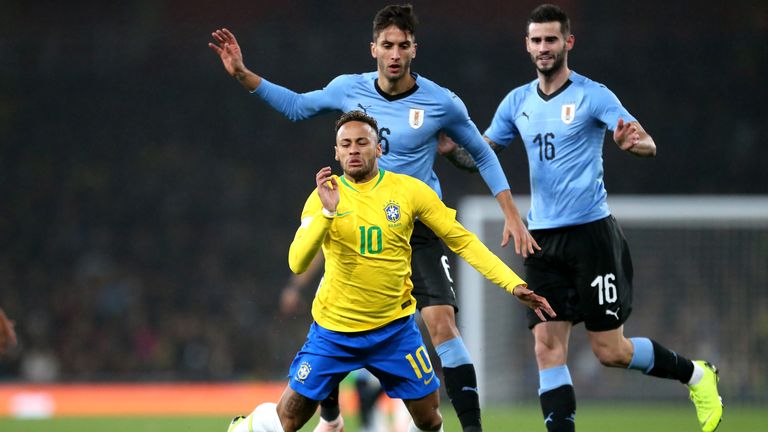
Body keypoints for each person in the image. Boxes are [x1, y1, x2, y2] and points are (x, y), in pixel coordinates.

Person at [209, 5, 538, 432]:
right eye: (387, 45)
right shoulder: (349, 90)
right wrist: (242, 74)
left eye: (403, 45)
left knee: (441, 322)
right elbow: (296, 106)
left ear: (414, 49)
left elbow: (481, 151)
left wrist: (510, 213)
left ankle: (471, 427)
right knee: (336, 310)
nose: (395, 53)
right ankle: (329, 415)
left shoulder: (440, 101)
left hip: (416, 224)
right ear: (374, 49)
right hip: (358, 215)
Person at [438, 4, 723, 432]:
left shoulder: (594, 94)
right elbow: (479, 154)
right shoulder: (516, 102)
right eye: (536, 40)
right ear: (527, 45)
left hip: (592, 237)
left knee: (610, 351)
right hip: (541, 241)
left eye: (551, 39)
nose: (543, 48)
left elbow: (647, 142)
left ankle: (696, 375)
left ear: (568, 42)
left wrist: (634, 144)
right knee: (546, 347)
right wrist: (451, 150)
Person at [227, 111, 555, 432]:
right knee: (289, 421)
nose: (354, 149)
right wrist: (328, 213)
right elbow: (297, 262)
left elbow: (463, 241)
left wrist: (513, 285)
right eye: (346, 144)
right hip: (334, 331)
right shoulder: (324, 197)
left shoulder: (409, 191)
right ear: (337, 152)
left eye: (362, 142)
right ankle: (244, 426)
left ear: (379, 147)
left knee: (429, 419)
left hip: (394, 332)